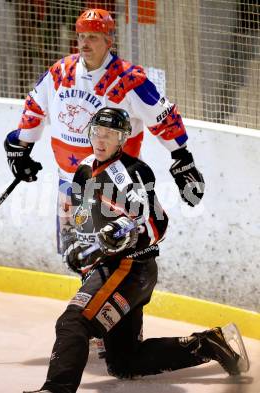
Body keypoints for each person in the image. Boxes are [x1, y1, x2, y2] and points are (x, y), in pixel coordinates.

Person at [22, 107, 249, 393]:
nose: (101, 140)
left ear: (122, 139)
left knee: (74, 322)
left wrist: (123, 233)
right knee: (124, 362)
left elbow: (158, 225)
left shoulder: (134, 173)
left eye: (110, 135)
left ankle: (56, 389)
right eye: (97, 133)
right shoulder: (83, 170)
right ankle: (210, 344)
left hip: (129, 269)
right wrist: (76, 248)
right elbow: (83, 221)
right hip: (115, 270)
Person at [4, 8, 205, 254]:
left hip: (118, 185)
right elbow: (34, 106)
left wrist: (182, 157)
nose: (84, 43)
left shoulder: (129, 79)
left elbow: (164, 118)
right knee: (76, 256)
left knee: (128, 250)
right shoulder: (60, 72)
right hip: (71, 183)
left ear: (109, 40)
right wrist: (22, 147)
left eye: (93, 37)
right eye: (81, 36)